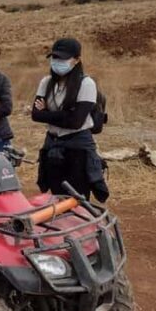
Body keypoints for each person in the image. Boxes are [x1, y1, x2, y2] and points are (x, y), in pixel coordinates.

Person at [31, 37, 109, 202]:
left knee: (77, 199)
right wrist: (66, 114)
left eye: (63, 58)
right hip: (52, 146)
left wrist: (46, 112)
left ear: (77, 60)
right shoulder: (46, 82)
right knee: (56, 197)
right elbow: (35, 115)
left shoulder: (86, 84)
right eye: (55, 57)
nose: (57, 61)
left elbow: (76, 122)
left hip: (77, 148)